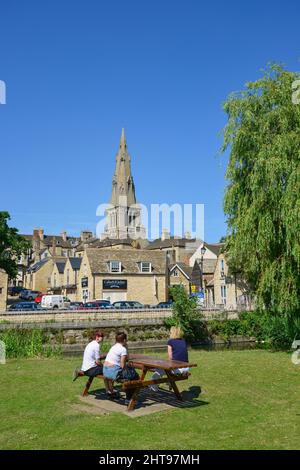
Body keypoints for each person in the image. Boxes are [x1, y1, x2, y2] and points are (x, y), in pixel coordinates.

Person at [150, 326, 189, 392]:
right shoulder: (183, 341)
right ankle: (169, 382)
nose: (169, 333)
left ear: (172, 333)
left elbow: (170, 357)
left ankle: (154, 388)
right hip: (186, 368)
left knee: (158, 371)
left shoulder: (170, 342)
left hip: (177, 369)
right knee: (163, 370)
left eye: (170, 332)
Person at [103, 332, 139, 403]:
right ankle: (129, 399)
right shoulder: (123, 349)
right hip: (113, 373)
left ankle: (129, 397)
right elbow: (122, 365)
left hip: (105, 371)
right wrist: (126, 348)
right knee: (134, 377)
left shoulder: (113, 347)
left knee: (130, 374)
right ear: (125, 340)